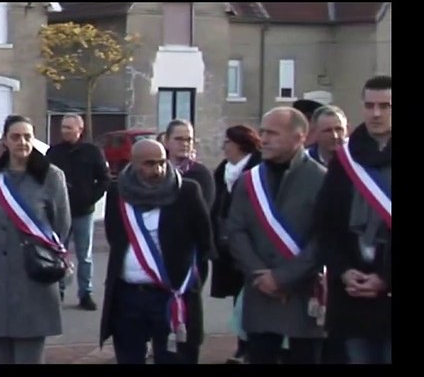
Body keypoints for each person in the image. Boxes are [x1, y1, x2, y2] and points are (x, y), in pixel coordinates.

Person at [227, 108, 327, 364]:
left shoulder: (322, 179)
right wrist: (260, 275)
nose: (264, 139)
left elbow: (324, 239)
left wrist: (283, 278)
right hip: (260, 293)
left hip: (303, 294)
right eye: (262, 132)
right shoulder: (250, 180)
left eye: (272, 133)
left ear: (299, 136)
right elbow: (235, 231)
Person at [100, 138, 213, 364]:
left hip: (172, 296)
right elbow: (115, 237)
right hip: (128, 296)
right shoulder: (117, 192)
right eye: (149, 164)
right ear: (133, 163)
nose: (158, 169)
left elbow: (204, 243)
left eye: (162, 162)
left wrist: (190, 285)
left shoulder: (187, 192)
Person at [0, 116, 69, 364]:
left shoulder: (50, 176)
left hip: (33, 273)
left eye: (27, 136)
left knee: (29, 353)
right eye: (15, 137)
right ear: (5, 140)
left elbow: (61, 225)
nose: (22, 142)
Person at [314, 75, 392, 365]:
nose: (376, 113)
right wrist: (343, 270)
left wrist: (384, 279)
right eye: (370, 105)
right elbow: (326, 224)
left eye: (385, 106)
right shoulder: (345, 160)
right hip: (352, 292)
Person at [45, 114, 110, 310]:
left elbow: (105, 179)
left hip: (83, 211)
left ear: (79, 130)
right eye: (63, 127)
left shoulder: (92, 152)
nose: (64, 131)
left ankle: (85, 293)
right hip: (59, 213)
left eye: (69, 128)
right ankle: (59, 291)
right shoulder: (53, 152)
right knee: (59, 253)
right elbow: (45, 179)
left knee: (85, 255)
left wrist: (90, 197)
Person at [209, 125, 262, 363]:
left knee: (250, 296)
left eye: (228, 142)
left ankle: (252, 346)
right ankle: (242, 345)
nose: (224, 147)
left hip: (251, 244)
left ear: (241, 144)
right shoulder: (223, 170)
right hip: (227, 245)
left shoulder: (258, 168)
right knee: (236, 295)